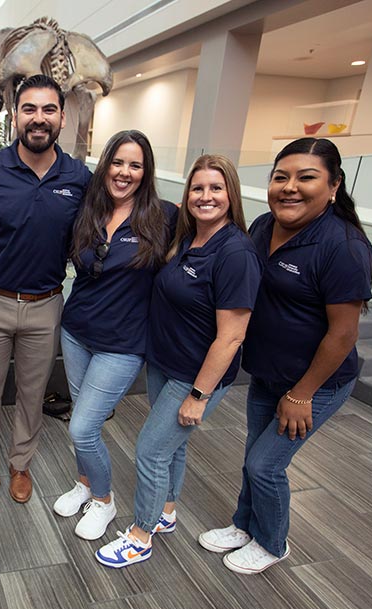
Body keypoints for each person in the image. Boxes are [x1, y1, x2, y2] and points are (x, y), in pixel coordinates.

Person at [198, 137, 372, 574]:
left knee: (265, 464)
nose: (290, 187)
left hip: (316, 384)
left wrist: (302, 394)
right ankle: (245, 525)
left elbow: (343, 333)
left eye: (306, 178)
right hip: (268, 374)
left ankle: (274, 543)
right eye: (281, 177)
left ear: (333, 186)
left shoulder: (344, 246)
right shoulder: (261, 226)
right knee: (253, 455)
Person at [95, 154, 262, 567]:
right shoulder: (188, 237)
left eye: (216, 188)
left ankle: (140, 535)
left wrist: (199, 395)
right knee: (172, 447)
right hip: (166, 363)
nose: (206, 197)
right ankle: (167, 511)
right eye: (198, 188)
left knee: (151, 451)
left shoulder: (235, 252)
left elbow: (233, 336)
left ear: (232, 195)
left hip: (193, 377)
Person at [0, 74, 92, 502]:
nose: (39, 118)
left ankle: (21, 463)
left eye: (49, 109)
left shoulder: (78, 177)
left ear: (62, 116)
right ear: (15, 115)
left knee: (33, 392)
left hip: (46, 303)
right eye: (30, 109)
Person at [51, 130, 177, 540]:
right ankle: (84, 484)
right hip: (76, 331)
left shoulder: (165, 217)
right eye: (118, 163)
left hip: (123, 344)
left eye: (135, 165)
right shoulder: (89, 211)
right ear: (105, 166)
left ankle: (104, 502)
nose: (124, 172)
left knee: (82, 428)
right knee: (84, 420)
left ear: (146, 171)